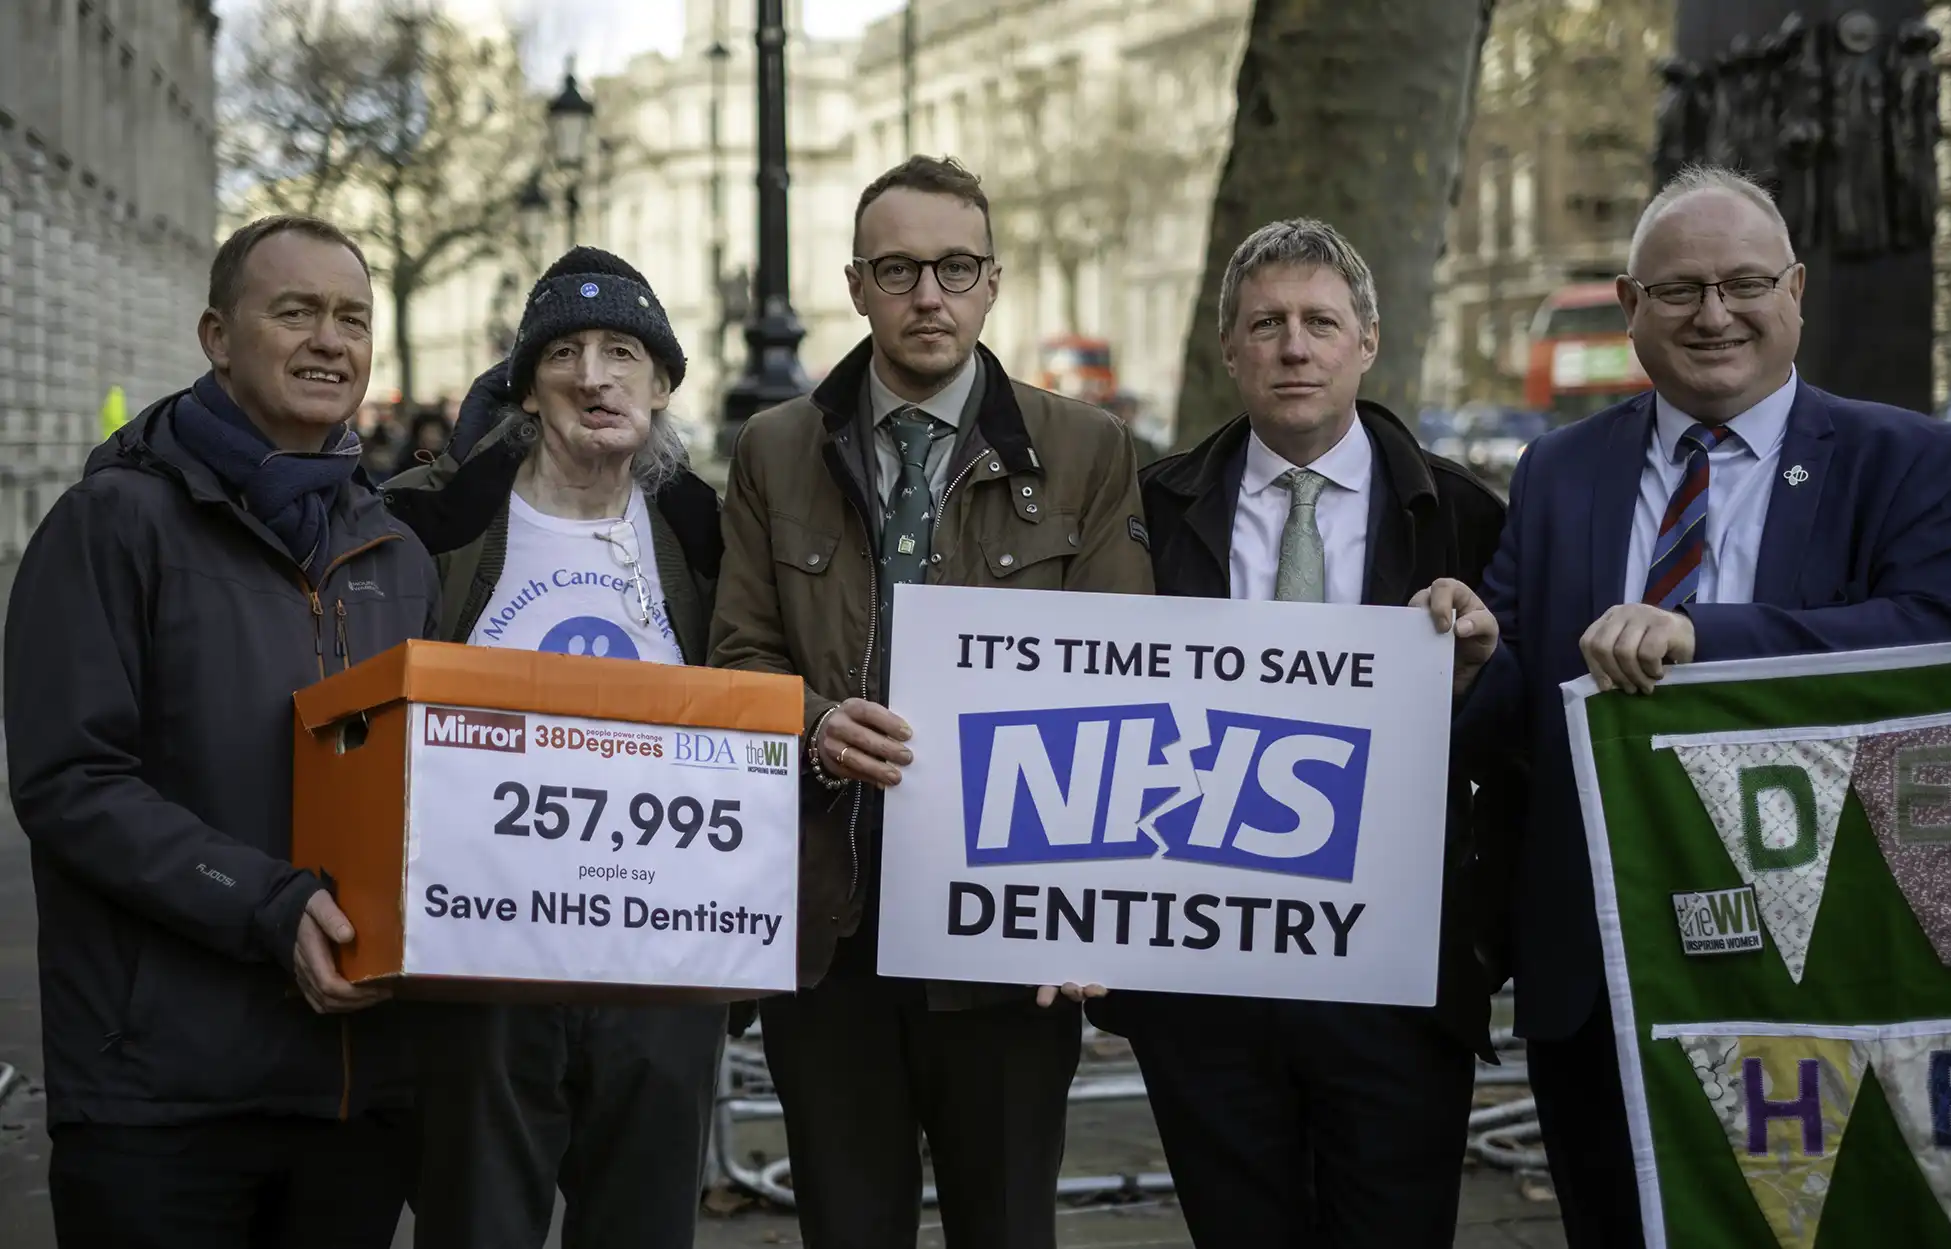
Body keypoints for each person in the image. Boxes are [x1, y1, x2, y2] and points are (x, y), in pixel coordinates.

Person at [1441, 164, 1951, 1247]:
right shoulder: (1557, 470)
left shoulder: (1909, 459)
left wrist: (1708, 636)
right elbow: (1514, 694)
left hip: (1829, 964)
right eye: (1679, 290)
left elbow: (1945, 641)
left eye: (1743, 284)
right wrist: (1469, 659)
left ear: (1795, 290)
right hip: (1601, 972)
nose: (1714, 315)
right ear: (1627, 305)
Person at [707, 154, 1153, 1249]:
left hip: (1004, 935)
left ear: (992, 281)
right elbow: (739, 652)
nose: (928, 296)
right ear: (853, 284)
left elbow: (1122, 677)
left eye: (955, 267)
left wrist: (1091, 902)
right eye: (897, 269)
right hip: (831, 922)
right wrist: (813, 723)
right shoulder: (774, 447)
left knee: (1005, 1225)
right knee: (846, 1226)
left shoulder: (1086, 448)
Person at [4, 215, 436, 1247]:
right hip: (162, 1096)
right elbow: (70, 781)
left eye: (351, 318)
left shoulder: (397, 555)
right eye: (293, 313)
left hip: (351, 1092)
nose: (330, 341)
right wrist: (265, 905)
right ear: (216, 335)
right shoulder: (113, 524)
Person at [1087, 218, 1509, 1247]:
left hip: (1396, 986)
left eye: (1319, 322)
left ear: (1365, 340)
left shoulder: (1465, 518)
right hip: (1204, 984)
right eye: (1265, 324)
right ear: (1226, 349)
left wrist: (1482, 938)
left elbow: (1517, 744)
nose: (1292, 347)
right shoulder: (1146, 517)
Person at [380, 247, 728, 1249]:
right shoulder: (431, 522)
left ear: (661, 386)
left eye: (623, 352)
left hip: (658, 964)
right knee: (478, 1222)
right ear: (527, 390)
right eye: (564, 354)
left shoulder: (701, 529)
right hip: (482, 963)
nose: (593, 376)